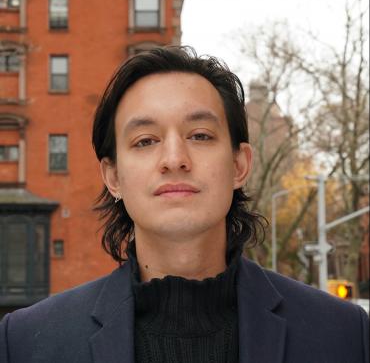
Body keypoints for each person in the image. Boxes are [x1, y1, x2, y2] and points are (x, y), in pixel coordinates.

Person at [0, 46, 368, 363]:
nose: (174, 158)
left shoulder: (345, 336)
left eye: (200, 135)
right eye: (145, 141)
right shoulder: (26, 343)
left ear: (239, 165)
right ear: (113, 177)